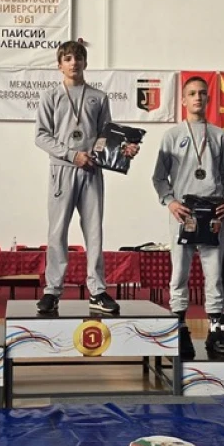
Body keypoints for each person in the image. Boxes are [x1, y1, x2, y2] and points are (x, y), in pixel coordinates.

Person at [34, 40, 140, 315]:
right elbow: (41, 136)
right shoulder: (51, 96)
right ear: (59, 65)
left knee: (94, 231)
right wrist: (72, 155)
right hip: (62, 169)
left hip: (92, 170)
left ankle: (97, 290)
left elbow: (107, 137)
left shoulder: (98, 97)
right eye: (68, 58)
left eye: (78, 58)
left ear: (85, 63)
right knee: (57, 231)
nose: (74, 63)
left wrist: (124, 150)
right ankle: (52, 290)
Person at [152, 76, 224, 359]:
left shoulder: (220, 135)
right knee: (179, 273)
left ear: (208, 98)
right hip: (183, 213)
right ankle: (180, 329)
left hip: (213, 214)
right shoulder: (172, 136)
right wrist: (170, 202)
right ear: (184, 100)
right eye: (192, 93)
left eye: (202, 93)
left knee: (214, 274)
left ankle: (215, 330)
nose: (197, 97)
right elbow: (159, 177)